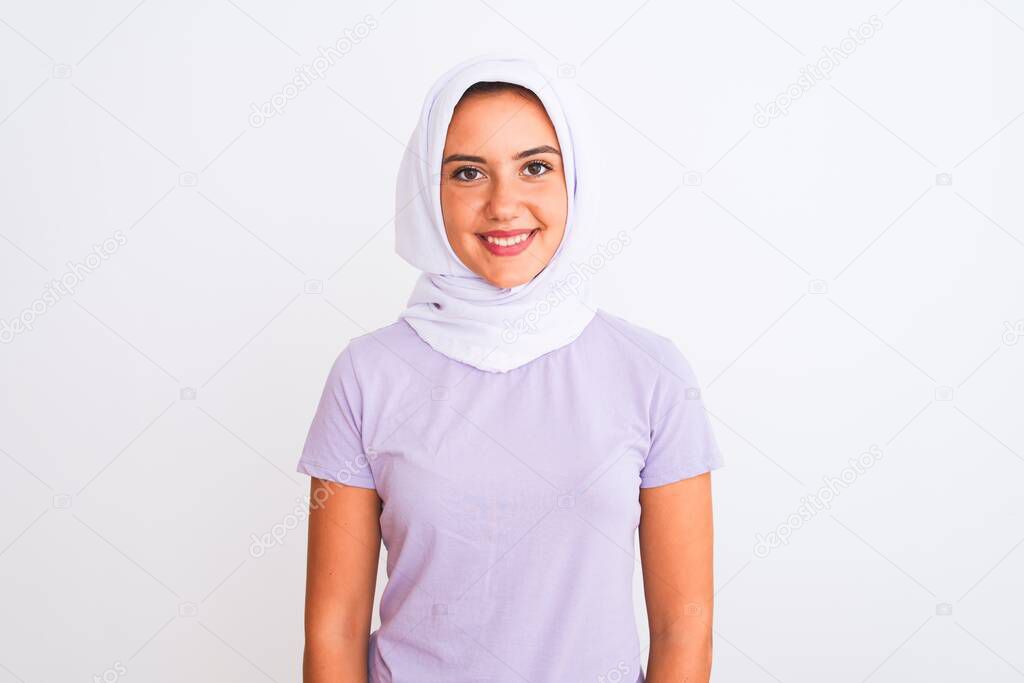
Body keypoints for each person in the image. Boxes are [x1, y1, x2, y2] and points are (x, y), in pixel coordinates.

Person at [297, 53, 724, 683]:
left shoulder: (650, 372)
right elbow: (333, 627)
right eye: (468, 172)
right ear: (428, 190)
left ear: (573, 179)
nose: (504, 204)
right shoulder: (367, 375)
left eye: (535, 168)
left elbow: (684, 627)